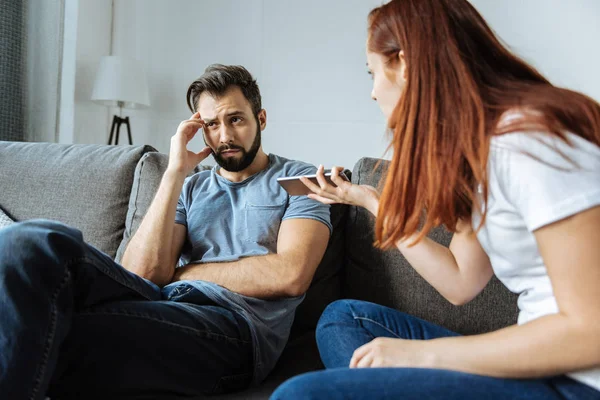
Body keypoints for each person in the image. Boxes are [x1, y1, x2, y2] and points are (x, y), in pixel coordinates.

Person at [270, 1, 600, 399]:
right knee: (345, 318)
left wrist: (427, 356)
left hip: (577, 381)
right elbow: (461, 282)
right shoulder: (482, 154)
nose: (373, 93)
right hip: (542, 366)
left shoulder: (530, 142)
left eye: (372, 73)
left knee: (299, 395)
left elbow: (590, 332)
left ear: (405, 65)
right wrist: (371, 202)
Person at [0, 64, 332, 399]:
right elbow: (141, 274)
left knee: (58, 331)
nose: (225, 136)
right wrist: (175, 172)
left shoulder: (300, 180)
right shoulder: (191, 187)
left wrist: (185, 272)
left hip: (236, 328)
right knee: (30, 242)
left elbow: (291, 274)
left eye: (236, 119)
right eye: (212, 124)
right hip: (164, 302)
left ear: (260, 119)